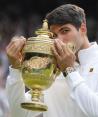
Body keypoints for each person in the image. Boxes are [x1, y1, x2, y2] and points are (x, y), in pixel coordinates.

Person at [6, 4, 98, 117]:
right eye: (53, 36)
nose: (58, 40)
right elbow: (19, 113)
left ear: (83, 29)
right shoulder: (52, 67)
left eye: (65, 31)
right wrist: (15, 69)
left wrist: (69, 71)